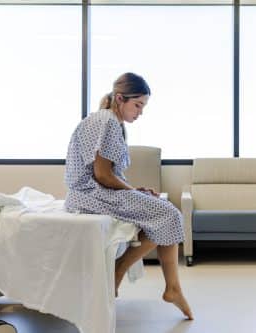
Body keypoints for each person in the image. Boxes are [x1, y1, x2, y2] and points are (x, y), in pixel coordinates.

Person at [64, 72, 193, 320]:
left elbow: (106, 174)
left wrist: (138, 193)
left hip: (90, 193)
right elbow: (102, 176)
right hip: (90, 195)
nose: (140, 112)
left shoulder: (105, 120)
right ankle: (134, 275)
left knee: (160, 209)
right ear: (120, 99)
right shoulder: (108, 121)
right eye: (138, 105)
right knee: (170, 214)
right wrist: (134, 193)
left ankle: (163, 285)